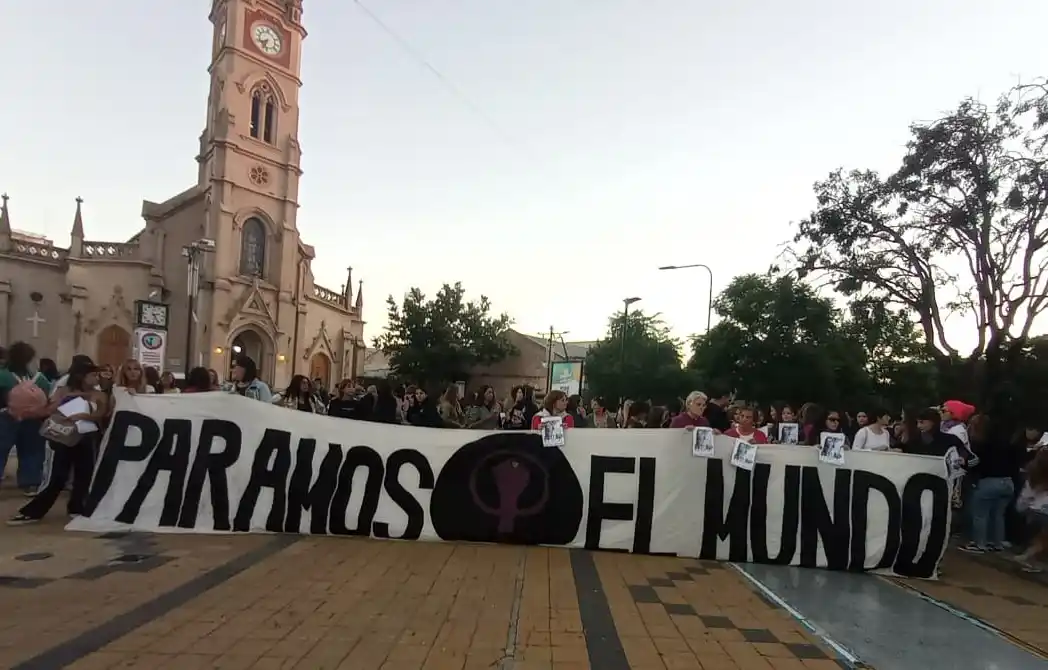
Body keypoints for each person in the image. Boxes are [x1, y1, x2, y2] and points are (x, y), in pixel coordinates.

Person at [8, 360, 109, 525]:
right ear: (81, 376)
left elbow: (101, 414)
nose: (96, 378)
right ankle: (33, 511)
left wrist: (85, 416)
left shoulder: (99, 394)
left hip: (86, 438)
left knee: (84, 475)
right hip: (63, 438)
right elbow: (50, 409)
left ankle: (77, 507)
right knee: (57, 477)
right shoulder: (64, 391)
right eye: (92, 375)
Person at [961, 414, 1025, 553]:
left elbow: (975, 464)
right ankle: (996, 543)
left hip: (989, 481)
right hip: (1008, 482)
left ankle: (980, 544)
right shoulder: (1008, 444)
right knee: (998, 515)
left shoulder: (981, 445)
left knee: (980, 514)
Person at [0, 341, 52, 496]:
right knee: (32, 451)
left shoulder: (3, 376)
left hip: (6, 417)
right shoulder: (39, 378)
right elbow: (47, 396)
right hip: (32, 419)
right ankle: (30, 483)